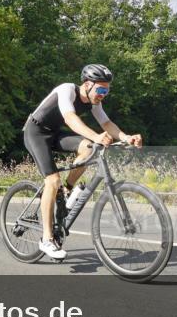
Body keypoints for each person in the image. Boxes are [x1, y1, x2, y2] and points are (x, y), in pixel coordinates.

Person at [23, 64, 143, 260]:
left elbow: (106, 123)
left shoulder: (94, 102)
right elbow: (70, 118)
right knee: (52, 181)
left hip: (54, 134)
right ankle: (46, 239)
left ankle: (67, 189)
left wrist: (126, 137)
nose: (103, 95)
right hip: (35, 132)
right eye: (101, 90)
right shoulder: (66, 90)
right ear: (87, 84)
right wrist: (96, 136)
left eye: (107, 91)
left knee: (88, 149)